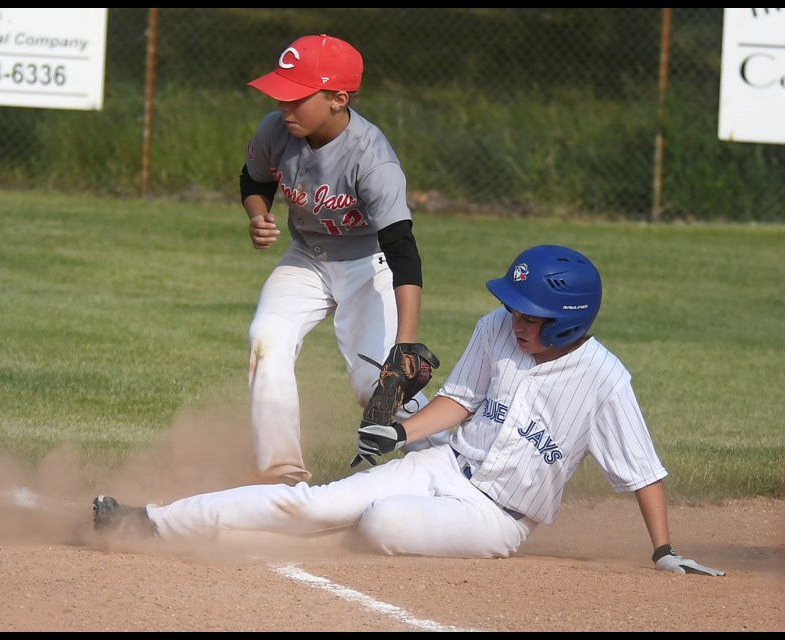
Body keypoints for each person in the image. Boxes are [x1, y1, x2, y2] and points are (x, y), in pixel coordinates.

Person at [92, 244, 725, 576]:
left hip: (497, 520)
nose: (514, 319)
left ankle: (296, 534)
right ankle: (151, 521)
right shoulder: (497, 330)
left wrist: (663, 550)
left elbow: (642, 470)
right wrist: (398, 429)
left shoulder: (605, 381)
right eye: (512, 304)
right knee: (315, 502)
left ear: (568, 321)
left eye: (530, 312)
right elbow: (458, 401)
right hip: (444, 467)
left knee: (382, 524)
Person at [239, 33, 446, 485]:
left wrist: (404, 347)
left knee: (377, 387)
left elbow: (403, 252)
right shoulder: (275, 131)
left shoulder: (373, 160)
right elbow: (254, 181)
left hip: (368, 264)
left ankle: (454, 465)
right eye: (280, 94)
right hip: (305, 258)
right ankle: (282, 476)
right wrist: (258, 216)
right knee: (266, 339)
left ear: (338, 98)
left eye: (296, 97)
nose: (283, 106)